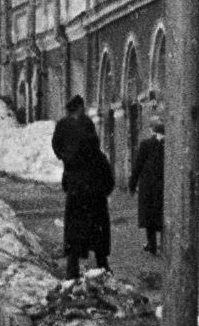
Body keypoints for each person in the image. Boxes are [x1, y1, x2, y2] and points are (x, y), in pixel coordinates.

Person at [54, 93, 115, 276]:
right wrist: (102, 191)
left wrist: (65, 158)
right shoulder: (98, 157)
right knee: (98, 234)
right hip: (96, 200)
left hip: (76, 195)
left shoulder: (72, 163)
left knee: (74, 232)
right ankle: (102, 266)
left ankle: (72, 269)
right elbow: (109, 181)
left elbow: (65, 181)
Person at [130, 119, 166, 253]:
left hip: (149, 186)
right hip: (163, 186)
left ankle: (152, 244)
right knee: (161, 214)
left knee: (149, 216)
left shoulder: (146, 144)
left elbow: (138, 165)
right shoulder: (169, 145)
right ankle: (163, 243)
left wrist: (132, 184)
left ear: (153, 131)